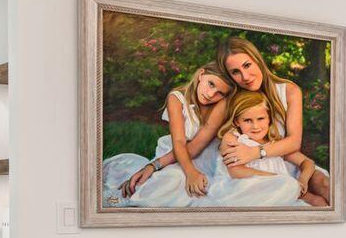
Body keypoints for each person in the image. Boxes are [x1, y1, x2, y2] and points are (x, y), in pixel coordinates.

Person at [215, 36, 332, 207]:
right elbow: (209, 133)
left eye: (247, 65)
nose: (245, 76)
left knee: (325, 185)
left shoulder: (289, 90)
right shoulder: (235, 101)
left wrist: (255, 153)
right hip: (256, 168)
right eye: (235, 72)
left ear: (257, 60)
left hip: (285, 159)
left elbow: (293, 142)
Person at [99, 61, 234, 208]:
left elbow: (196, 146)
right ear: (201, 75)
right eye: (211, 84)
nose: (210, 94)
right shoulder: (176, 98)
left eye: (220, 93)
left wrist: (191, 173)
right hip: (175, 154)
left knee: (194, 190)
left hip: (205, 157)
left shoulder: (220, 106)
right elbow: (179, 142)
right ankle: (120, 199)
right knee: (166, 182)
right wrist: (158, 166)